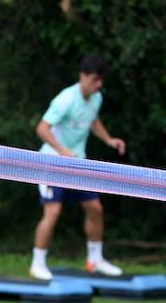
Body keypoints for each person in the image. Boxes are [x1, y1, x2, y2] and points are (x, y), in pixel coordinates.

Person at [28, 55, 127, 280]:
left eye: (101, 80)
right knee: (53, 212)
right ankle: (37, 264)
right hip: (51, 163)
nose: (98, 84)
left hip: (78, 163)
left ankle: (95, 260)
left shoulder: (96, 98)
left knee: (95, 209)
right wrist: (62, 150)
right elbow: (42, 129)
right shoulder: (65, 99)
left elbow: (92, 120)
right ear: (82, 76)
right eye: (94, 79)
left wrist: (108, 139)